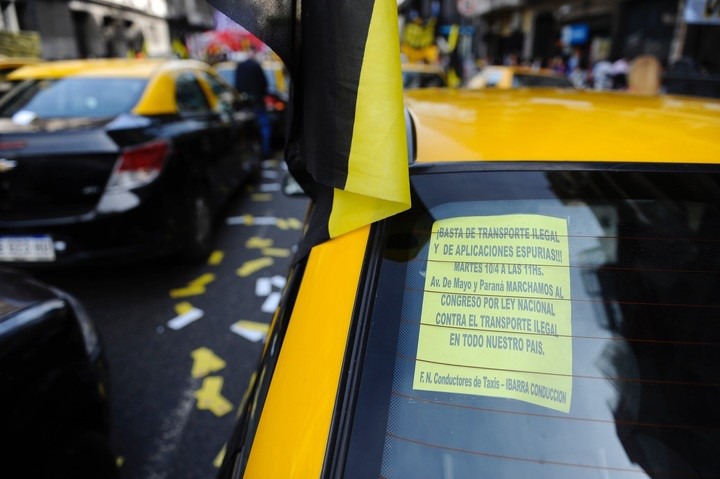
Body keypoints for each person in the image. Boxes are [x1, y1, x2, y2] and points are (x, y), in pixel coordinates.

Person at [234, 50, 272, 158]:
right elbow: (264, 84)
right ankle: (265, 152)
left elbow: (237, 86)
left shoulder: (240, 67)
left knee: (245, 130)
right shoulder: (256, 66)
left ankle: (247, 153)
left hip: (244, 105)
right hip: (257, 103)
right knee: (264, 127)